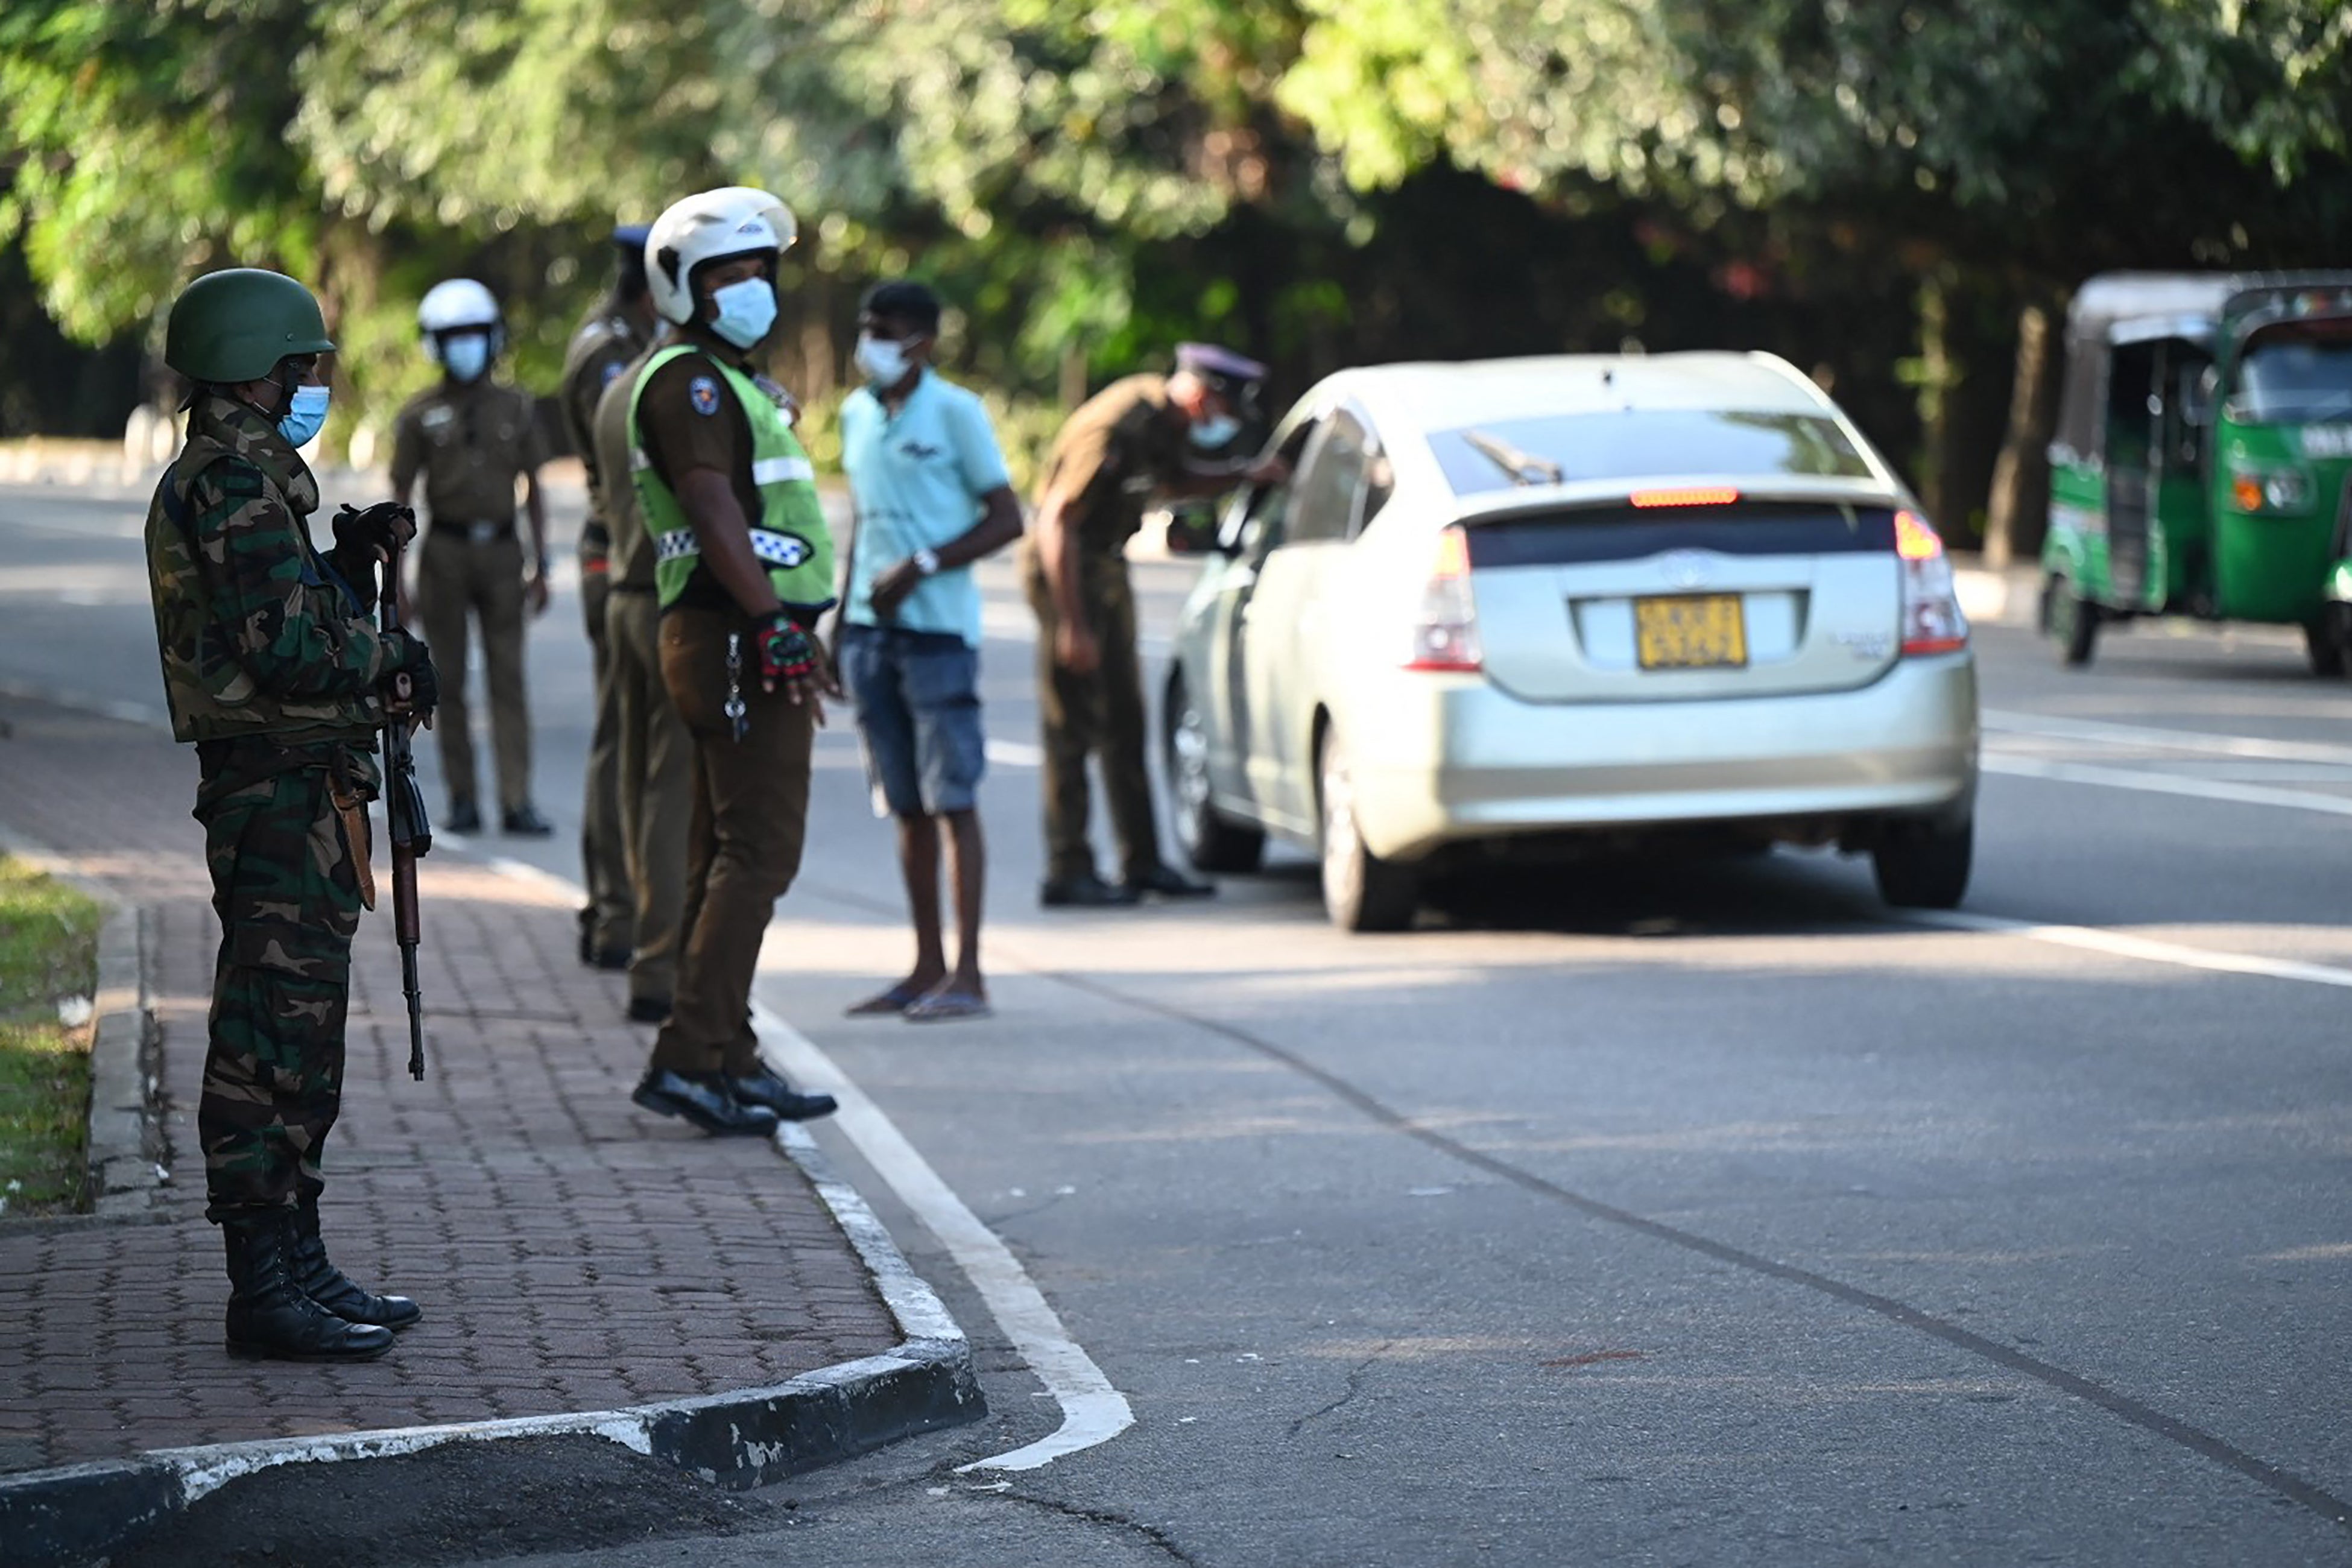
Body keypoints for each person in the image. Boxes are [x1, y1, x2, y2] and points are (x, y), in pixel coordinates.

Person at [146, 267, 441, 1361]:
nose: (315, 383)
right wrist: (395, 657)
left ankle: (299, 1258)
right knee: (269, 1035)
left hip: (302, 783)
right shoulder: (227, 483)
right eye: (305, 367)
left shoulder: (254, 483)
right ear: (262, 370)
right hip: (273, 789)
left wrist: (345, 563)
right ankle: (261, 1285)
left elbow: (283, 606)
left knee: (304, 1036)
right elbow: (285, 648)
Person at [625, 186, 839, 1134]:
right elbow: (713, 509)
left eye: (760, 270)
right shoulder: (692, 383)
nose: (751, 288)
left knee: (723, 854)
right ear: (681, 286)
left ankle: (727, 1056)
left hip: (741, 635)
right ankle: (689, 1060)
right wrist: (774, 625)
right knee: (758, 856)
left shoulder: (728, 380)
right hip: (737, 639)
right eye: (728, 275)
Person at [1024, 342, 1282, 906]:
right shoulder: (1119, 422)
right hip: (1067, 570)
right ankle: (1068, 868)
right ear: (1196, 392)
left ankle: (1141, 863)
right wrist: (1073, 625)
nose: (1220, 422)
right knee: (1072, 726)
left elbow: (1175, 480)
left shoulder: (1163, 423)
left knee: (1127, 721)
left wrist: (1243, 474)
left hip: (1107, 565)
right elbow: (1057, 521)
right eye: (1219, 408)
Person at [835, 281, 1024, 1022]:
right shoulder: (854, 414)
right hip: (867, 633)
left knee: (954, 800)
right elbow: (864, 524)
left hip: (937, 632)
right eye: (866, 327)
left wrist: (923, 564)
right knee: (906, 804)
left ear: (923, 343)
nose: (872, 342)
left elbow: (1006, 516)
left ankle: (970, 974)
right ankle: (924, 967)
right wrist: (838, 622)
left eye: (886, 330)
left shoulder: (957, 412)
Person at [391, 277, 554, 837]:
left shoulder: (517, 405)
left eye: (475, 335)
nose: (466, 346)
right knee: (449, 680)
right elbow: (400, 497)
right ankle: (463, 798)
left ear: (494, 339)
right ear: (434, 344)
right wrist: (398, 581)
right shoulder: (418, 415)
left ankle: (517, 801)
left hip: (504, 550)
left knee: (509, 679)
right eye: (453, 336)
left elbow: (535, 484)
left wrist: (543, 564)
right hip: (445, 552)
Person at [560, 227, 659, 970]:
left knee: (624, 736)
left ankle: (616, 907)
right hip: (619, 550)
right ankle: (617, 909)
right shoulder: (614, 353)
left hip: (620, 549)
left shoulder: (624, 339)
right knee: (623, 739)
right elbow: (629, 461)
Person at [591, 315, 694, 1026]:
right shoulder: (683, 389)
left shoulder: (619, 387)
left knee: (632, 780)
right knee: (674, 790)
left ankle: (630, 937)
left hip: (627, 593)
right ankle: (663, 964)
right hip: (671, 599)